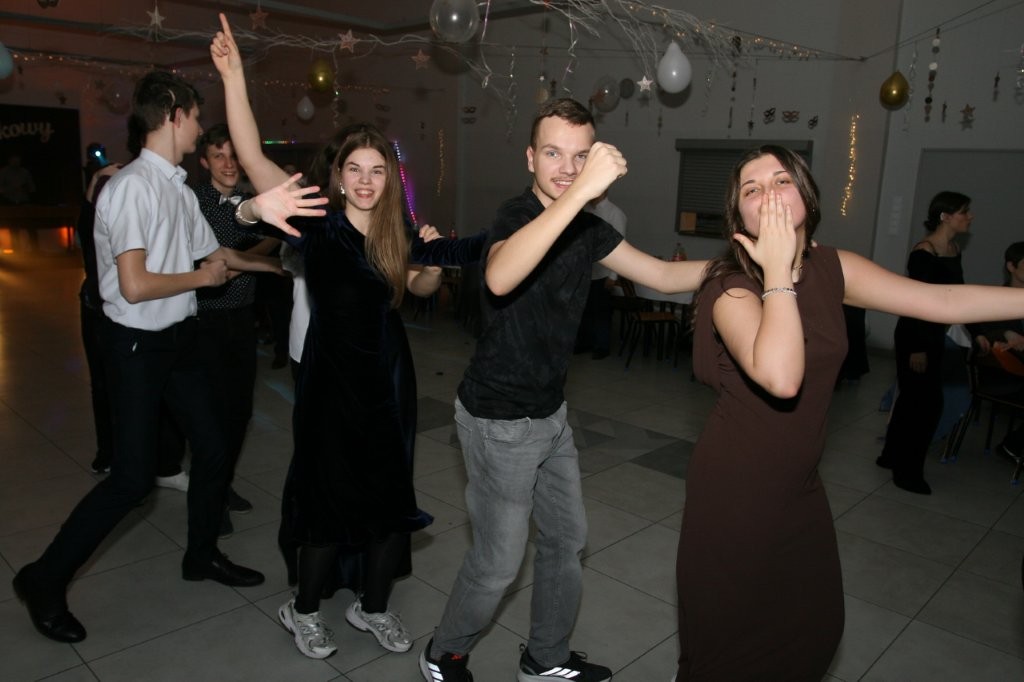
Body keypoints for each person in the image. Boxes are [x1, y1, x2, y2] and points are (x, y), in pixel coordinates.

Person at [677, 146, 1024, 681]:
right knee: (728, 644)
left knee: (814, 628)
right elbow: (782, 377)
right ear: (738, 217)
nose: (768, 194)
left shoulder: (833, 267)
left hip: (800, 485)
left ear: (807, 196)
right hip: (735, 489)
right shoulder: (732, 287)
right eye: (751, 189)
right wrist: (777, 271)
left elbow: (943, 303)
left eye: (781, 180)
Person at [10, 69, 326, 644]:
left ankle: (201, 554)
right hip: (135, 346)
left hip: (178, 340)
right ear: (175, 114)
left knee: (214, 444)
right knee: (132, 480)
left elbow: (216, 253)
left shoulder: (177, 189)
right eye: (197, 117)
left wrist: (273, 253)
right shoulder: (132, 187)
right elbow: (135, 285)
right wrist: (201, 278)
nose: (201, 128)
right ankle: (43, 578)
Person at [211, 14, 483, 661]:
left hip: (389, 378)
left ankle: (373, 606)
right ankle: (303, 609)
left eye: (376, 170)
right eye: (354, 168)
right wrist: (234, 79)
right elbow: (253, 160)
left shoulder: (399, 232)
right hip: (331, 379)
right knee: (328, 499)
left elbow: (421, 287)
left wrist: (433, 261)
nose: (365, 179)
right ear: (337, 175)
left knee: (389, 500)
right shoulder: (318, 225)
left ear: (389, 178)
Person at [422, 98, 708, 682]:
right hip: (499, 420)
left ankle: (544, 659)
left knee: (566, 540)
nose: (568, 168)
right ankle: (443, 653)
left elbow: (660, 274)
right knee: (499, 563)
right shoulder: (516, 214)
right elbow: (500, 275)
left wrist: (746, 265)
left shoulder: (588, 229)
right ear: (530, 158)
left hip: (549, 416)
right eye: (553, 153)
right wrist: (579, 197)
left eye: (581, 157)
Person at [155, 123, 282, 533]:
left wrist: (238, 257)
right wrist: (253, 259)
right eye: (218, 156)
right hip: (204, 319)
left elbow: (269, 240)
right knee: (209, 417)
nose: (228, 164)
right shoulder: (192, 200)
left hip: (242, 318)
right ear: (205, 162)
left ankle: (222, 486)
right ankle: (210, 499)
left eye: (233, 156)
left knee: (239, 411)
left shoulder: (250, 201)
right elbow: (211, 263)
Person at [877, 191, 975, 494]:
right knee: (927, 405)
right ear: (945, 216)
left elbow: (956, 296)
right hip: (916, 336)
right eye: (964, 212)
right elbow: (915, 303)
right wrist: (918, 348)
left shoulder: (953, 249)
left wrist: (979, 332)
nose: (969, 217)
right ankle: (907, 473)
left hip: (934, 335)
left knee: (912, 400)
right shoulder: (924, 252)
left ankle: (890, 456)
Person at [77, 160, 122, 474]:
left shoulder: (131, 219)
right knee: (102, 385)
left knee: (123, 386)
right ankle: (107, 451)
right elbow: (85, 219)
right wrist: (95, 179)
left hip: (123, 310)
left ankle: (127, 453)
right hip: (95, 309)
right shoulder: (92, 220)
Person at [576, 193, 627, 359]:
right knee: (585, 310)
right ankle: (584, 343)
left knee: (601, 312)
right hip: (585, 271)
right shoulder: (586, 210)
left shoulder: (615, 213)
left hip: (604, 273)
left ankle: (601, 346)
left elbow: (620, 247)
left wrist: (613, 276)